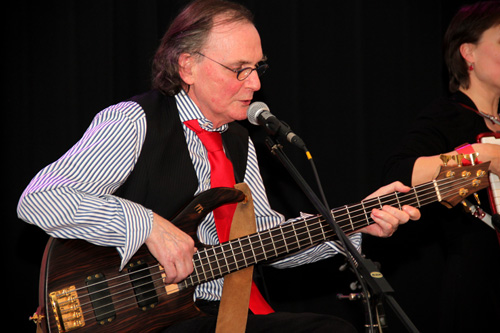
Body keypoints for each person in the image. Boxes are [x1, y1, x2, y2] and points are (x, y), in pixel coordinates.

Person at [17, 0, 420, 332]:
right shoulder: (135, 120)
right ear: (187, 65)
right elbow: (40, 198)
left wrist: (352, 224)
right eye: (239, 69)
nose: (256, 83)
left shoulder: (239, 141)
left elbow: (265, 237)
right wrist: (149, 225)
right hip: (142, 318)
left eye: (257, 68)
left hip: (219, 314)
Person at [368, 2, 500, 332]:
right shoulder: (448, 116)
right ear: (468, 52)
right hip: (477, 283)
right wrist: (479, 154)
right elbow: (399, 173)